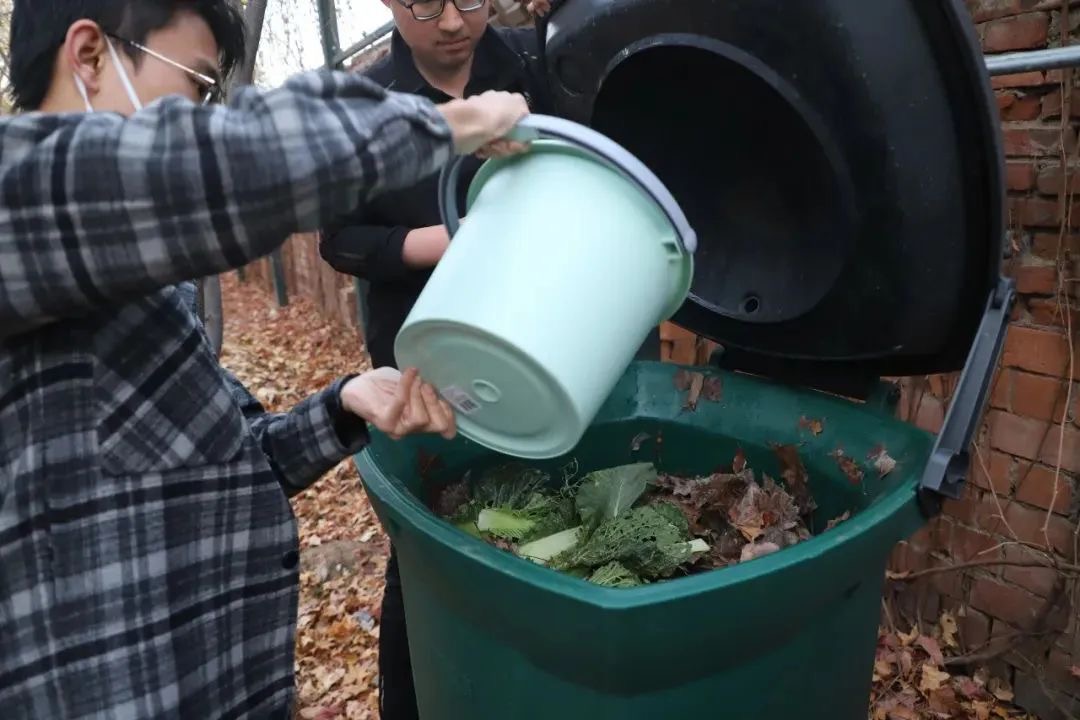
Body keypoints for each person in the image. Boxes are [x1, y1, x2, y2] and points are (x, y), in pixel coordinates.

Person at [0, 1, 530, 718]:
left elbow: (225, 465)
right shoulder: (16, 207)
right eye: (196, 86)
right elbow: (221, 167)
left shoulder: (133, 297)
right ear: (90, 56)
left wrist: (342, 404)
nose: (201, 114)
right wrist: (450, 124)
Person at [317, 1, 553, 717]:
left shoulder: (539, 63)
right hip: (425, 366)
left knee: (544, 520)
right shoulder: (365, 103)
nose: (452, 20)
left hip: (547, 347)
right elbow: (340, 238)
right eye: (424, 0)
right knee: (428, 553)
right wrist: (439, 242)